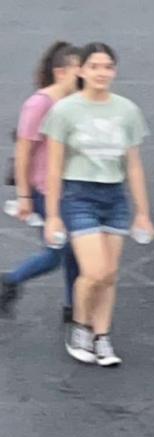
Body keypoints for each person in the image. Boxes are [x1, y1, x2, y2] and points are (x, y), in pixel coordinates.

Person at [42, 42, 154, 368]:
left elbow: (133, 165)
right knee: (94, 271)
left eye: (107, 67)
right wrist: (52, 216)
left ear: (114, 71)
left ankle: (102, 337)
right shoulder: (65, 111)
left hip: (114, 196)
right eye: (94, 66)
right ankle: (80, 327)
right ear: (81, 70)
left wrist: (143, 212)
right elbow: (54, 167)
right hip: (79, 196)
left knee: (110, 275)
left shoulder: (126, 110)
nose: (101, 73)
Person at [0, 41, 80, 321]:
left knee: (73, 251)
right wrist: (25, 196)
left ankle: (73, 307)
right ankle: (10, 281)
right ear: (61, 72)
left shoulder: (74, 103)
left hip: (70, 189)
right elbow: (24, 152)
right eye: (79, 70)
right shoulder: (40, 104)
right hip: (45, 191)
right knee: (59, 250)